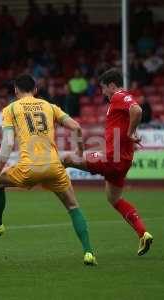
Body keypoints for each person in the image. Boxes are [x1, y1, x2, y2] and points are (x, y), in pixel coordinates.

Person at [0, 74, 97, 266]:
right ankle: (89, 252)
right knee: (73, 206)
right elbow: (76, 127)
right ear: (36, 90)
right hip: (54, 167)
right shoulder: (49, 106)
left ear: (16, 91)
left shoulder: (11, 109)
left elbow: (7, 143)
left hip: (28, 168)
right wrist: (79, 151)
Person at [63, 68, 153, 256]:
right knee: (113, 198)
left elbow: (137, 109)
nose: (102, 92)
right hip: (123, 161)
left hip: (113, 159)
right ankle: (143, 233)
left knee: (66, 159)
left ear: (112, 85)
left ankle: (42, 182)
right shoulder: (117, 100)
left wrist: (129, 133)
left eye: (104, 88)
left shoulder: (120, 96)